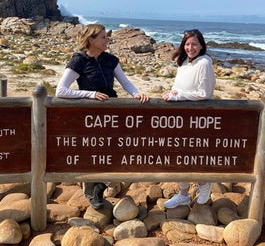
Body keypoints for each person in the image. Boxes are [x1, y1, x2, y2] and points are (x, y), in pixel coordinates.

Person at [56, 23, 149, 209]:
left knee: (118, 151)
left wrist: (136, 94)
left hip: (112, 114)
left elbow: (125, 82)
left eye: (107, 37)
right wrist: (89, 94)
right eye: (103, 37)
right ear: (91, 40)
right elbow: (61, 91)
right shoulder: (79, 61)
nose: (107, 40)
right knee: (94, 153)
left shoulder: (111, 60)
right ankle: (94, 191)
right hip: (90, 117)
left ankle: (100, 184)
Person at [162, 28, 216, 208]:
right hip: (180, 117)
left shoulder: (204, 63)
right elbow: (182, 87)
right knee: (179, 156)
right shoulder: (183, 63)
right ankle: (183, 194)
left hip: (196, 119)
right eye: (187, 44)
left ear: (201, 45)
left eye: (194, 44)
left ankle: (203, 183)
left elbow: (204, 93)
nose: (190, 47)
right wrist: (173, 92)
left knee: (193, 155)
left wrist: (179, 96)